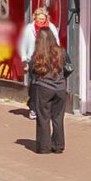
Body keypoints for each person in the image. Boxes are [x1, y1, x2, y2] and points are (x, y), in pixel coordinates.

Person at [28, 17, 69, 154]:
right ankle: (58, 145)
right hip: (60, 88)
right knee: (58, 118)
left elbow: (32, 71)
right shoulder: (61, 51)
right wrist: (62, 79)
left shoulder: (37, 55)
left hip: (43, 87)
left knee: (43, 118)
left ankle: (44, 147)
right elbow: (69, 67)